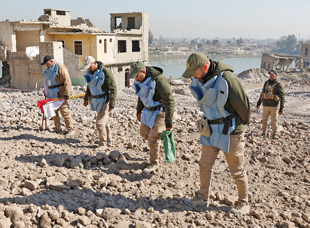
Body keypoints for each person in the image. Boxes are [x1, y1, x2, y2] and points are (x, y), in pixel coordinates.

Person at [182, 52, 251, 215]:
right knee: (204, 165)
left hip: (231, 130)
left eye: (195, 72)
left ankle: (244, 202)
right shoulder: (199, 79)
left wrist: (238, 131)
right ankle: (202, 197)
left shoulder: (228, 79)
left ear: (205, 67)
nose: (193, 77)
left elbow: (245, 109)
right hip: (210, 128)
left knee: (237, 169)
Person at [129, 61, 174, 174]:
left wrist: (168, 122)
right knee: (144, 133)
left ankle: (154, 162)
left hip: (161, 111)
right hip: (148, 110)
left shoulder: (159, 80)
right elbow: (141, 95)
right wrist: (139, 110)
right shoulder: (140, 79)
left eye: (137, 76)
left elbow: (170, 100)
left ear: (143, 71)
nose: (136, 79)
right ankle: (156, 144)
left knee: (153, 137)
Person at [82, 56, 117, 151]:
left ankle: (103, 144)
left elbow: (113, 88)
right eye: (87, 67)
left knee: (99, 123)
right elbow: (90, 86)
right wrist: (86, 98)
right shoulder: (89, 72)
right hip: (94, 100)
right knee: (104, 122)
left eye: (89, 66)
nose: (88, 69)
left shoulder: (105, 72)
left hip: (104, 100)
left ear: (94, 63)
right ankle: (109, 141)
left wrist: (112, 104)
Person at [41, 55, 75, 135]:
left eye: (47, 63)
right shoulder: (48, 69)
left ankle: (70, 129)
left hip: (61, 93)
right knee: (53, 111)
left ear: (52, 61)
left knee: (64, 111)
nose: (46, 65)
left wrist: (67, 94)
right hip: (51, 93)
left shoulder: (60, 68)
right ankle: (57, 128)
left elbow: (67, 81)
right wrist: (46, 91)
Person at [256, 69, 285, 139]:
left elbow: (282, 96)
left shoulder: (278, 84)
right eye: (270, 74)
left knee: (274, 121)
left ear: (276, 75)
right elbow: (262, 94)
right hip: (265, 105)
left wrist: (281, 107)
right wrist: (258, 103)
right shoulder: (266, 83)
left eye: (272, 74)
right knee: (264, 120)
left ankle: (274, 134)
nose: (271, 76)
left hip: (274, 106)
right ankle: (263, 133)